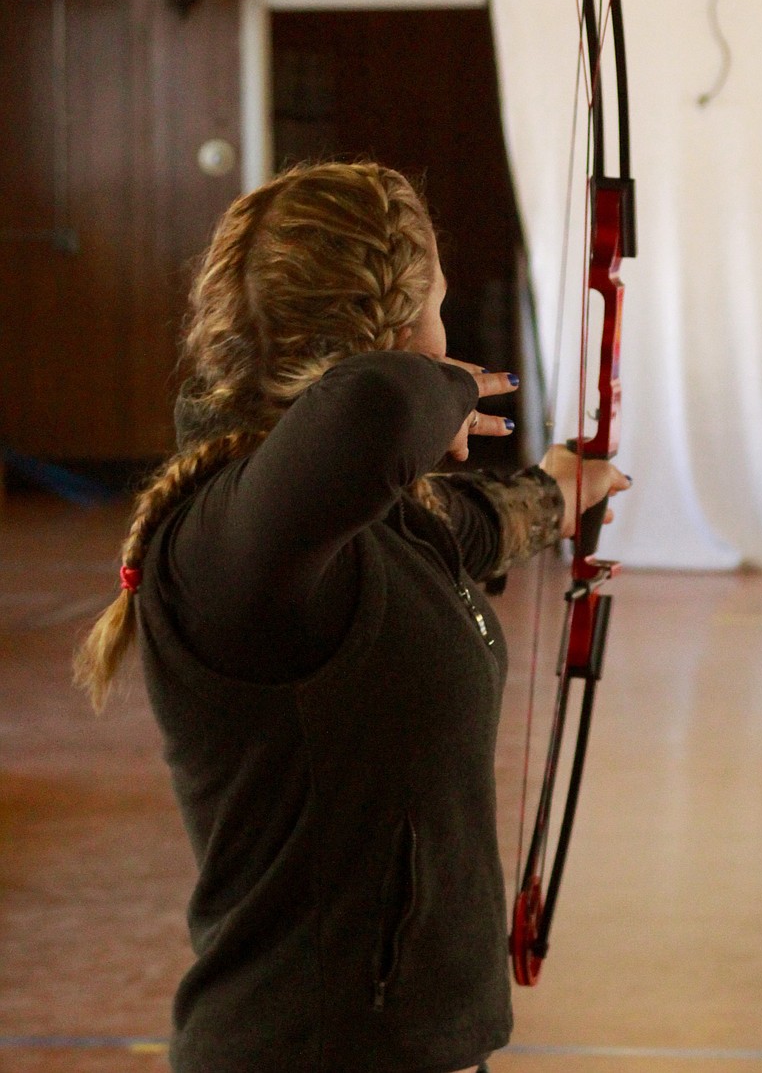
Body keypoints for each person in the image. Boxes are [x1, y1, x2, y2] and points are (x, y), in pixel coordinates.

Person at [75, 160, 628, 1073]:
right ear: (392, 330)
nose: (443, 334)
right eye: (437, 305)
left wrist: (556, 494)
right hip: (310, 1049)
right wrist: (442, 383)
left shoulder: (347, 528)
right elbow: (375, 408)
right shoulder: (231, 544)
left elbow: (462, 527)